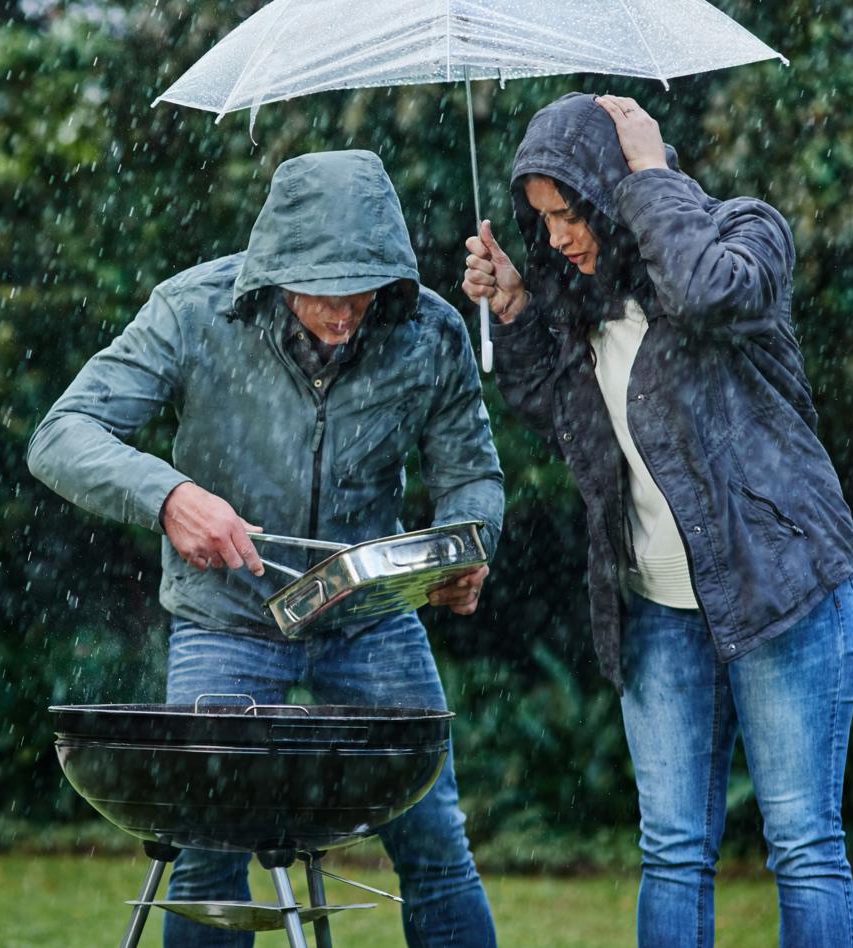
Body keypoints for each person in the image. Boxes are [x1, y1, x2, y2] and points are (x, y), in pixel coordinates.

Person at [30, 149, 504, 947]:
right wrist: (169, 496)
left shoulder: (429, 329)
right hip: (226, 622)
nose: (346, 311)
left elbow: (472, 474)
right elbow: (61, 436)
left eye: (364, 288)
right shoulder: (191, 313)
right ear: (276, 267)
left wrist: (466, 546)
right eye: (325, 290)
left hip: (371, 620)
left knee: (434, 845)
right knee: (210, 857)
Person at [461, 92, 853, 948]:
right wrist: (515, 310)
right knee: (674, 852)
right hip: (656, 610)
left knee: (802, 845)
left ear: (617, 187)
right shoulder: (587, 298)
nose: (562, 237)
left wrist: (647, 174)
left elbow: (705, 293)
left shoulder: (744, 234)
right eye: (546, 220)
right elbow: (564, 417)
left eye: (573, 212)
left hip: (782, 594)